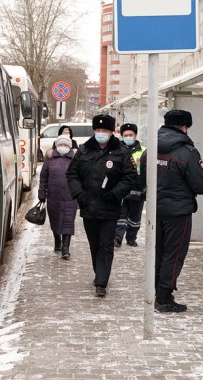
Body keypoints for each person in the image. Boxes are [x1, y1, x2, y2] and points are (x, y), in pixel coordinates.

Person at [141, 109, 203, 312]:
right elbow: (200, 184)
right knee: (174, 254)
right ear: (184, 127)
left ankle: (156, 291)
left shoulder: (151, 148)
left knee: (158, 252)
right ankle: (163, 298)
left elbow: (139, 177)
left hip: (155, 210)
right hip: (178, 213)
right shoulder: (187, 152)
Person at [66, 114, 137, 297]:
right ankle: (99, 272)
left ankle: (101, 282)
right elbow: (72, 174)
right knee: (94, 245)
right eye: (98, 130)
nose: (100, 134)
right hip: (88, 207)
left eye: (104, 130)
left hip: (110, 208)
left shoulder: (121, 152)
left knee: (106, 245)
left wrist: (115, 194)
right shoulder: (83, 150)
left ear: (111, 132)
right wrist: (80, 195)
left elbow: (130, 177)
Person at [38, 135, 78, 259]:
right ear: (56, 145)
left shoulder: (76, 160)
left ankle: (65, 249)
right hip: (53, 197)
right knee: (55, 220)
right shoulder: (49, 160)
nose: (63, 147)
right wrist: (41, 195)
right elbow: (43, 179)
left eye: (66, 145)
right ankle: (57, 242)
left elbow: (81, 179)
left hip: (71, 197)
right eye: (61, 144)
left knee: (68, 221)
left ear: (70, 147)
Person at [114, 123, 146, 248]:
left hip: (138, 189)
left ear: (135, 135)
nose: (128, 137)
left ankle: (131, 238)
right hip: (122, 189)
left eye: (130, 135)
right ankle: (117, 238)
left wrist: (145, 188)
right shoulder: (117, 151)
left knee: (135, 216)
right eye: (125, 135)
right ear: (122, 136)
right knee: (121, 215)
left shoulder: (144, 151)